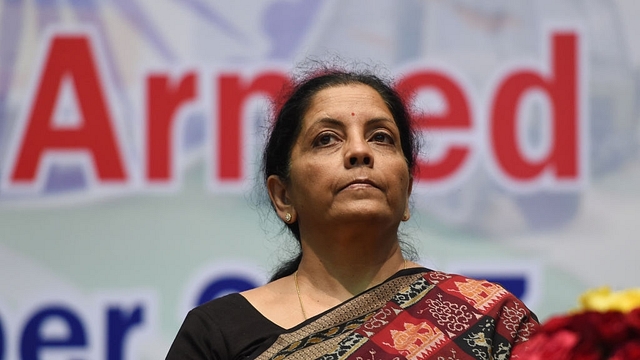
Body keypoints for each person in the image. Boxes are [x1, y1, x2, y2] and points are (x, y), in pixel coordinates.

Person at [165, 67, 539, 359]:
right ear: (283, 197)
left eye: (381, 137)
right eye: (326, 138)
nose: (360, 152)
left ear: (407, 192)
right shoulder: (217, 333)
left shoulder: (489, 317)